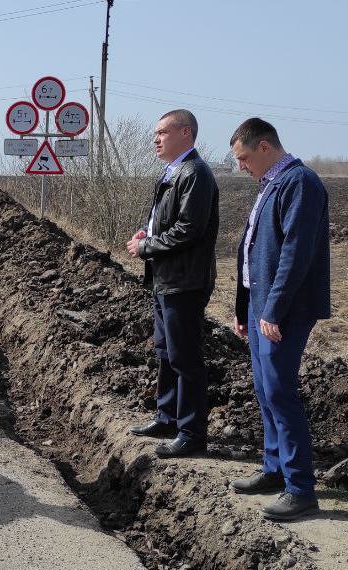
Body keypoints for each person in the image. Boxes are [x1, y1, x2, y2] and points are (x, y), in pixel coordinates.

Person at [228, 118, 330, 521]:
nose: (240, 166)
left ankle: (301, 488)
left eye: (244, 157)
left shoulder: (299, 182)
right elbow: (252, 250)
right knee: (264, 388)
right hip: (259, 307)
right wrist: (244, 309)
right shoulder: (271, 183)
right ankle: (274, 469)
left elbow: (295, 254)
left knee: (280, 391)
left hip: (282, 310)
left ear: (265, 147)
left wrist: (273, 310)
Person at [126, 109, 219, 458]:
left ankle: (192, 433)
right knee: (166, 352)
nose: (156, 138)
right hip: (167, 278)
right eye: (156, 133)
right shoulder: (173, 171)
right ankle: (167, 417)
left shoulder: (194, 172)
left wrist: (146, 246)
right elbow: (167, 222)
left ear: (186, 133)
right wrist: (147, 233)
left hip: (185, 280)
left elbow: (189, 229)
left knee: (185, 357)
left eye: (163, 132)